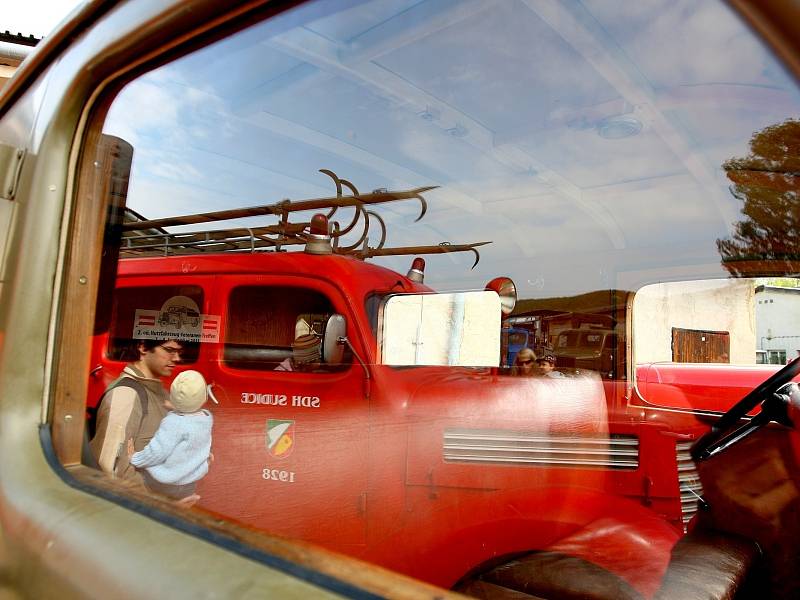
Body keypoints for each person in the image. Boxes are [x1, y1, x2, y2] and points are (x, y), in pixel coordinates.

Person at [89, 339, 182, 482]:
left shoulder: (161, 393)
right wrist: (162, 502)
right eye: (169, 350)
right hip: (145, 501)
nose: (177, 358)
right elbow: (112, 468)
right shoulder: (126, 394)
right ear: (143, 347)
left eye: (178, 351)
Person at [129, 370, 213, 501]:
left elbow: (157, 452)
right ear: (204, 398)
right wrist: (176, 407)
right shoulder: (206, 418)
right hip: (190, 481)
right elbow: (188, 418)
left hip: (167, 483)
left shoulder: (173, 423)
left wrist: (134, 458)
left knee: (142, 490)